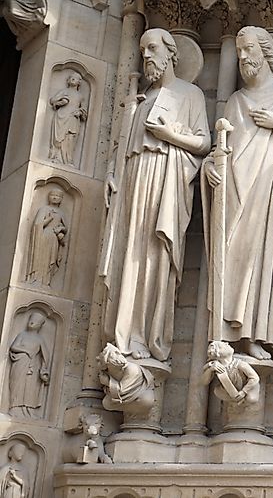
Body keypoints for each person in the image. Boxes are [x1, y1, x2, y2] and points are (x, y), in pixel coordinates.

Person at [101, 28, 210, 361]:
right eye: (142, 49)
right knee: (127, 252)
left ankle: (145, 337)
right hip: (133, 184)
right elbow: (122, 148)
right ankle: (123, 333)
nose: (146, 55)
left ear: (171, 52)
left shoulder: (189, 95)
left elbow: (203, 143)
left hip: (165, 184)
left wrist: (168, 135)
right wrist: (110, 173)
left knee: (153, 255)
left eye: (151, 48)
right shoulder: (139, 101)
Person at [203, 26, 273, 359]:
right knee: (230, 256)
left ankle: (255, 336)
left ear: (266, 52)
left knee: (261, 260)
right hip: (234, 189)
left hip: (267, 188)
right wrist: (209, 166)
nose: (243, 57)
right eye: (238, 51)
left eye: (248, 49)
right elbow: (222, 148)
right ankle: (225, 334)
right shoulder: (235, 100)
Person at [8, 310, 51, 418]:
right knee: (18, 385)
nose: (32, 322)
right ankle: (15, 408)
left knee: (30, 388)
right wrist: (27, 351)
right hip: (20, 363)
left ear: (40, 325)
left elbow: (45, 356)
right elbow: (13, 347)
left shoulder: (39, 339)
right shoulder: (22, 334)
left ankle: (29, 410)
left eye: (36, 321)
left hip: (33, 367)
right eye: (31, 319)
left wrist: (43, 369)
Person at [25, 189, 68, 287]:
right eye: (52, 195)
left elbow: (65, 228)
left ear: (61, 199)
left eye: (58, 196)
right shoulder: (44, 209)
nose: (54, 197)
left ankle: (46, 281)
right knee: (41, 257)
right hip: (43, 236)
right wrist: (49, 219)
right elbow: (37, 224)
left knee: (50, 258)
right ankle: (36, 278)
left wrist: (60, 229)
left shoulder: (61, 213)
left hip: (54, 238)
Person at [48, 71, 87, 165]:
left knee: (70, 139)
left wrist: (80, 112)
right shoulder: (64, 91)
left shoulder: (80, 96)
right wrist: (60, 101)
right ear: (68, 80)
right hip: (61, 116)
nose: (73, 79)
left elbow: (84, 111)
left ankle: (68, 160)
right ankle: (56, 157)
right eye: (71, 77)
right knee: (58, 138)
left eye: (75, 78)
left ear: (79, 82)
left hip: (73, 118)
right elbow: (52, 100)